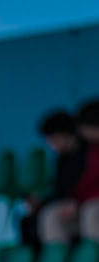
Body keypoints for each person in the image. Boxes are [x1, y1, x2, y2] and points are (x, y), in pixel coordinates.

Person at [34, 98, 99, 244]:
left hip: (91, 206)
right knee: (51, 215)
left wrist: (79, 201)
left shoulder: (87, 150)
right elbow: (86, 183)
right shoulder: (92, 151)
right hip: (82, 204)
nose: (84, 132)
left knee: (92, 211)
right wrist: (74, 201)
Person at [26, 111, 84, 247]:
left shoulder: (88, 154)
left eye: (53, 139)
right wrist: (41, 202)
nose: (52, 145)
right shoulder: (62, 160)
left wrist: (77, 201)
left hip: (84, 205)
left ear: (66, 134)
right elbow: (60, 192)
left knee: (51, 216)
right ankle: (54, 261)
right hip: (68, 209)